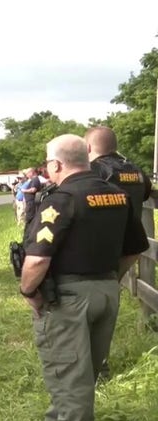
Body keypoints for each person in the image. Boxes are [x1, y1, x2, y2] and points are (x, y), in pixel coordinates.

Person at [19, 134, 148, 421]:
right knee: (85, 368)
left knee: (67, 369)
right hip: (106, 291)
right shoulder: (117, 195)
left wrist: (28, 291)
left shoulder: (61, 199)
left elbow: (37, 259)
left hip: (68, 298)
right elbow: (135, 248)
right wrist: (110, 281)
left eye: (49, 162)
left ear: (56, 164)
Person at [84, 125, 153, 380]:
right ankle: (100, 363)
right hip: (127, 247)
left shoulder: (94, 170)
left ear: (89, 148)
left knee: (87, 307)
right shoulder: (134, 169)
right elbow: (146, 192)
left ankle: (94, 368)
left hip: (97, 247)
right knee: (110, 302)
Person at [21, 166, 43, 239]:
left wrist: (24, 190)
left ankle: (28, 236)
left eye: (27, 173)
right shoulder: (32, 180)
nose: (26, 175)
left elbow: (33, 190)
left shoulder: (35, 180)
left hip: (32, 203)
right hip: (29, 203)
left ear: (32, 172)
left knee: (30, 219)